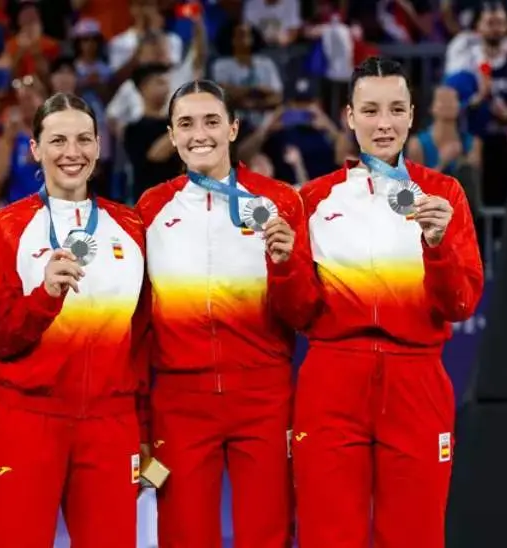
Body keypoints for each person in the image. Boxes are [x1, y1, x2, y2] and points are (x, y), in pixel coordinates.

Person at [290, 56, 483, 548]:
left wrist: (437, 247)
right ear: (350, 117)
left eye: (396, 109)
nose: (384, 123)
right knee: (328, 536)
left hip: (416, 381)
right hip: (333, 379)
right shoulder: (313, 200)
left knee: (414, 536)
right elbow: (296, 311)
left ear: (412, 115)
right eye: (370, 111)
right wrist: (282, 264)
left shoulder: (444, 195)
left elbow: (460, 305)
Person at [135, 79, 312, 548]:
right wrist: (139, 417)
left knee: (267, 534)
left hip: (264, 398)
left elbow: (303, 313)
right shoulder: (150, 209)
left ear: (233, 128)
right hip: (179, 402)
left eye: (212, 121)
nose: (200, 134)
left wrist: (287, 266)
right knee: (185, 536)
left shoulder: (279, 202)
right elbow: (137, 326)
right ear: (171, 135)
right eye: (186, 124)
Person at [0, 92, 149, 548]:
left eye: (83, 140)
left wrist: (145, 425)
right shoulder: (5, 228)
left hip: (111, 425)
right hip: (28, 420)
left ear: (99, 146)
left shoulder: (130, 227)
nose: (71, 153)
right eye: (57, 141)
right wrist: (44, 298)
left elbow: (144, 337)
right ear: (34, 148)